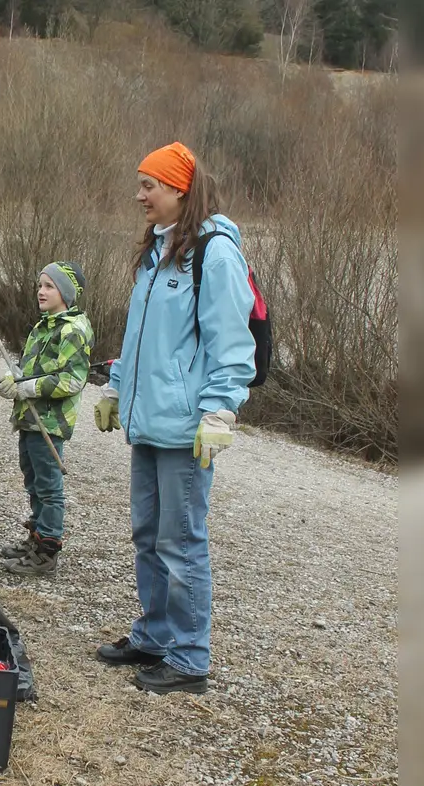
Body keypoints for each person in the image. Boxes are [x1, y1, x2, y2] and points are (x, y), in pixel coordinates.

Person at [92, 142, 257, 695]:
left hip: (187, 428)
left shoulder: (215, 254)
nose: (139, 195)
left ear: (179, 190)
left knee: (181, 541)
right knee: (147, 535)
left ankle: (189, 657)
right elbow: (140, 338)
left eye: (149, 186)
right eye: (140, 184)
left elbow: (232, 344)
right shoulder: (156, 251)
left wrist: (220, 412)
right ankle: (156, 634)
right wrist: (116, 387)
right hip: (149, 422)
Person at [0, 261, 94, 576]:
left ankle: (48, 550)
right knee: (33, 480)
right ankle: (35, 539)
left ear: (65, 292)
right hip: (30, 418)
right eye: (40, 285)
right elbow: (32, 369)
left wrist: (29, 387)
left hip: (50, 422)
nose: (41, 291)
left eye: (49, 286)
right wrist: (14, 380)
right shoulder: (44, 325)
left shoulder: (72, 331)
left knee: (49, 488)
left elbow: (72, 381)